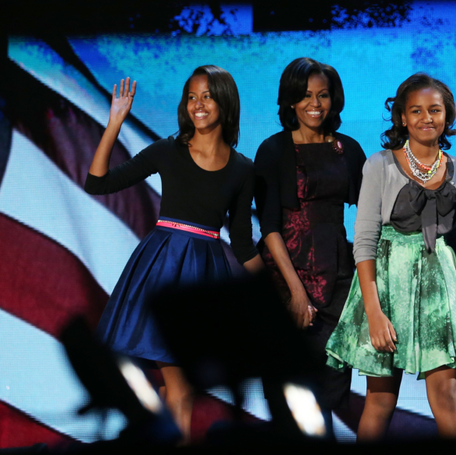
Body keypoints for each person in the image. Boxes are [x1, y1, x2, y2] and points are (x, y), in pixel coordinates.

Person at [326, 73, 456, 440]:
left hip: (438, 294)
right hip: (386, 289)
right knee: (380, 402)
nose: (426, 118)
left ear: (447, 115)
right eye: (416, 110)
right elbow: (364, 242)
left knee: (448, 394)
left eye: (434, 110)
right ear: (401, 117)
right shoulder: (380, 165)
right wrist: (373, 312)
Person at [84, 67, 263, 442]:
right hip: (162, 268)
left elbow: (244, 243)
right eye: (192, 96)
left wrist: (274, 295)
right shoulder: (169, 151)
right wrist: (115, 120)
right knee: (178, 387)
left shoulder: (244, 169)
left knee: (175, 387)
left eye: (208, 96)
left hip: (205, 278)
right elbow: (98, 182)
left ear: (225, 102)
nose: (198, 104)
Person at [253, 58, 366, 427]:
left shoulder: (348, 150)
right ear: (289, 101)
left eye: (322, 95)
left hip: (338, 276)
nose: (314, 104)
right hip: (285, 275)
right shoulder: (273, 150)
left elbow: (369, 218)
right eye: (304, 96)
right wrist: (295, 292)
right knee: (289, 390)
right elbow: (269, 226)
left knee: (333, 383)